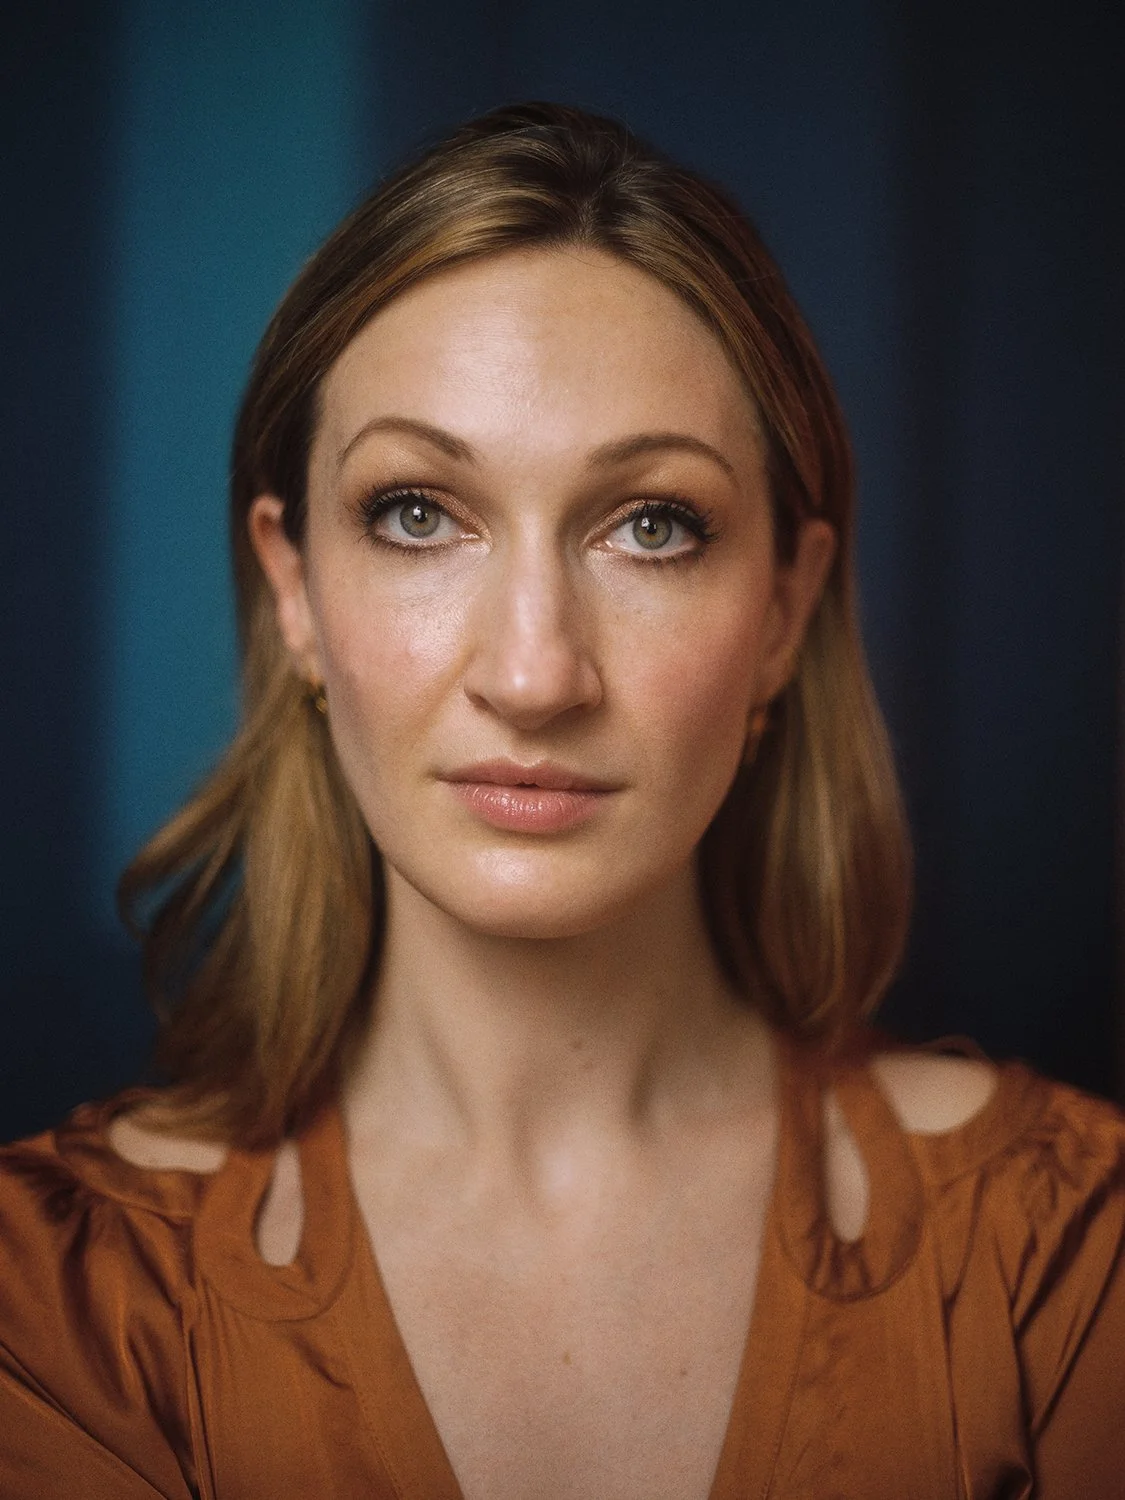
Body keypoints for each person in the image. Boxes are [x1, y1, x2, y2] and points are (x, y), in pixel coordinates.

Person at [1, 102, 1122, 1500]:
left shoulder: (1068, 1258)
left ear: (784, 609)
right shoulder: (57, 1300)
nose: (534, 675)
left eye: (653, 525)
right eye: (419, 512)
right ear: (294, 590)